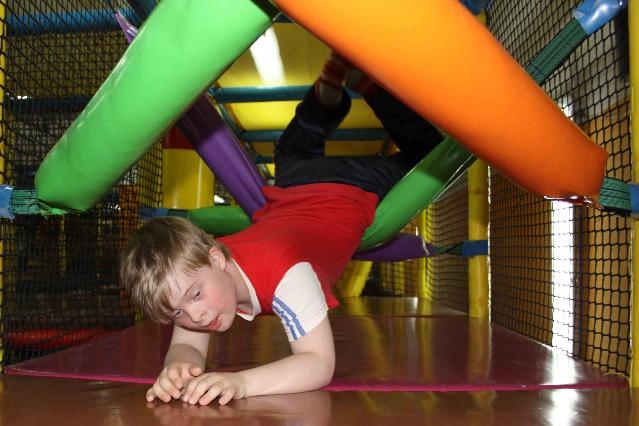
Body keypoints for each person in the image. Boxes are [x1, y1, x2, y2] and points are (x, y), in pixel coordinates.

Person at [119, 53, 443, 406]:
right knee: (290, 150)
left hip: (349, 185)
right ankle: (325, 96)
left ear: (216, 258)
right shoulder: (196, 268)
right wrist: (178, 365)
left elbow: (318, 363)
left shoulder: (288, 272)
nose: (193, 316)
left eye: (195, 296)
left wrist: (241, 383)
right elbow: (186, 343)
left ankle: (369, 87)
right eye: (177, 312)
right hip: (293, 180)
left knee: (431, 153)